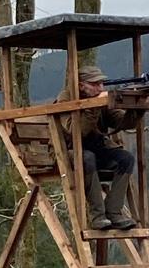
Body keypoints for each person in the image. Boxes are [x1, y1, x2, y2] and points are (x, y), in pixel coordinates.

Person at [56, 66, 143, 230]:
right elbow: (77, 131)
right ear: (81, 85)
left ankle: (114, 212)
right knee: (87, 157)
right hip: (67, 150)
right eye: (95, 84)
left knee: (126, 159)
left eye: (101, 83)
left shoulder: (98, 97)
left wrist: (136, 108)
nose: (100, 88)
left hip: (96, 148)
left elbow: (122, 122)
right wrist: (94, 106)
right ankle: (97, 215)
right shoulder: (65, 98)